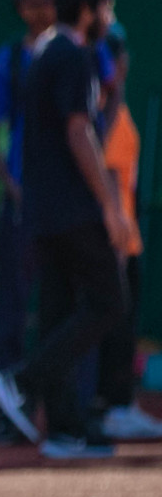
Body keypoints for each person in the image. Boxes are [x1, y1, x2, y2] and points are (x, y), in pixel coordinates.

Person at [0, 0, 132, 459]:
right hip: (72, 209)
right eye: (106, 10)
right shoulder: (72, 55)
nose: (109, 21)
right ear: (89, 10)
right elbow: (78, 132)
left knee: (58, 314)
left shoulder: (47, 52)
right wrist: (110, 207)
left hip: (42, 211)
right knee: (109, 302)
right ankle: (23, 382)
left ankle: (66, 431)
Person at [0, 0, 56, 444]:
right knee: (12, 310)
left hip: (66, 206)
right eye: (39, 2)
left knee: (64, 309)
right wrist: (13, 189)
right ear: (23, 10)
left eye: (54, 0)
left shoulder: (78, 49)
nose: (49, 8)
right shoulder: (6, 61)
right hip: (24, 210)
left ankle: (65, 412)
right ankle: (9, 415)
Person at [93, 30, 162, 440]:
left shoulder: (110, 110)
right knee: (115, 323)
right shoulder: (107, 112)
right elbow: (113, 172)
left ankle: (117, 403)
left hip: (125, 233)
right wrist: (118, 229)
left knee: (123, 322)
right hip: (118, 236)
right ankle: (115, 405)